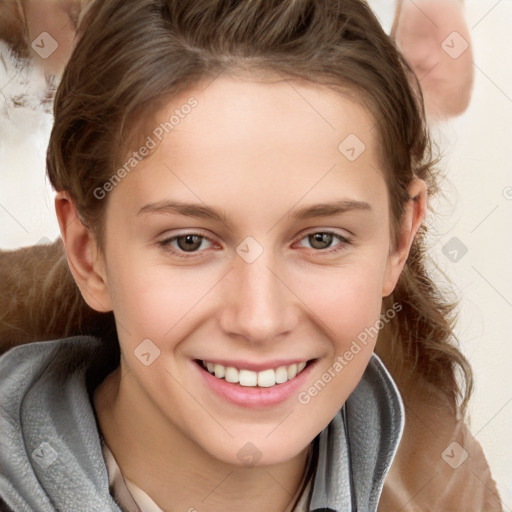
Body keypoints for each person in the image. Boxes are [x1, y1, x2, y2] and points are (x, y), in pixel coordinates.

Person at [0, 1, 502, 511]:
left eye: (321, 239)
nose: (259, 320)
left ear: (399, 241)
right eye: (189, 242)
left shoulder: (452, 492)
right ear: (89, 254)